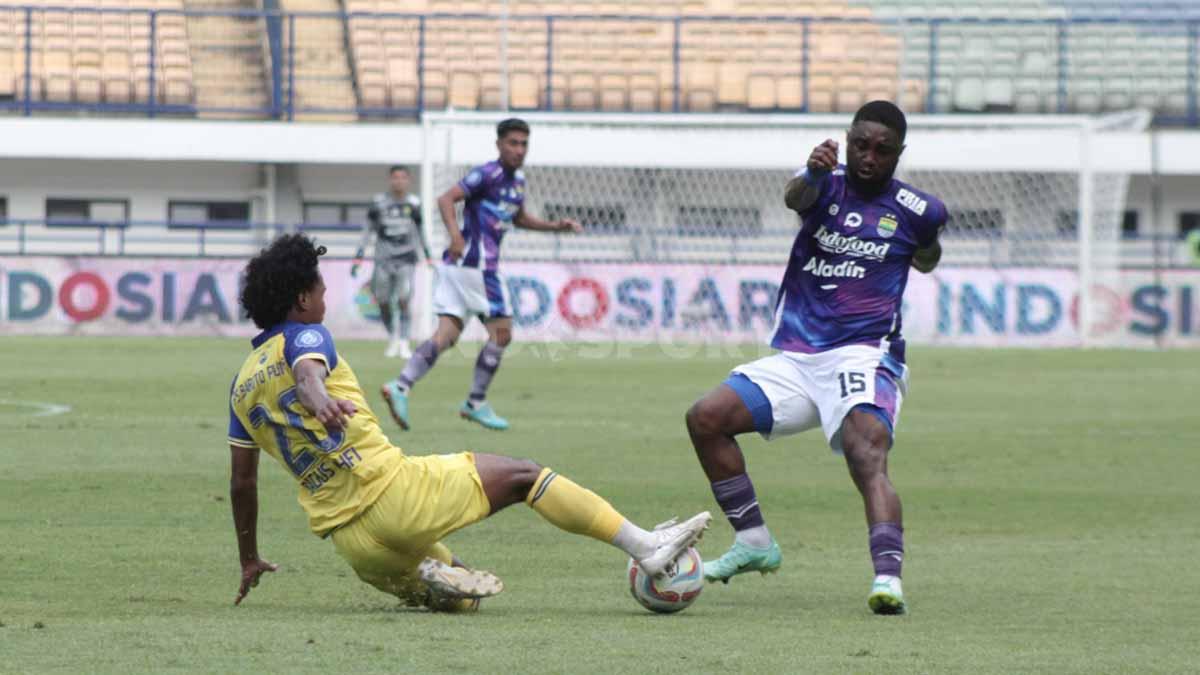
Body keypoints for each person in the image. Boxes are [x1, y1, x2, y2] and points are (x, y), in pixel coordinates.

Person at [227, 233, 709, 611]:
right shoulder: (308, 335)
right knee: (525, 476)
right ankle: (646, 547)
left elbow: (242, 485)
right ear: (302, 299)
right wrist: (318, 400)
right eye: (321, 290)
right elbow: (308, 375)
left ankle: (438, 576)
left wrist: (249, 558)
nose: (325, 299)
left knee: (469, 596)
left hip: (356, 549)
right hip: (397, 495)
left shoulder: (241, 386)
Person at [684, 101, 947, 615]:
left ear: (899, 153)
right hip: (800, 357)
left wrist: (923, 253)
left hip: (866, 355)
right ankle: (755, 542)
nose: (869, 157)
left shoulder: (921, 210)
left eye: (882, 150)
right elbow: (793, 198)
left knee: (864, 452)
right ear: (847, 140)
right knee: (706, 417)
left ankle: (888, 579)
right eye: (860, 145)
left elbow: (928, 254)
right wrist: (811, 169)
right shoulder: (823, 181)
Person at [379, 118, 582, 432]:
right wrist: (454, 236)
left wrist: (555, 226)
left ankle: (401, 385)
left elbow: (520, 218)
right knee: (502, 334)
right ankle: (475, 402)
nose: (518, 149)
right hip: (477, 266)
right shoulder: (487, 174)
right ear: (499, 144)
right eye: (513, 143)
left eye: (523, 144)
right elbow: (445, 198)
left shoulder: (517, 181)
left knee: (446, 335)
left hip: (458, 269)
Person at [351, 165, 431, 359]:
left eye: (403, 178)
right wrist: (358, 256)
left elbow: (421, 231)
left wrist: (428, 255)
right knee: (383, 301)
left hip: (407, 259)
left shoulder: (413, 203)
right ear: (390, 180)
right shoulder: (379, 203)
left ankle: (404, 342)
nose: (399, 181)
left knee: (404, 298)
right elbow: (367, 231)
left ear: (408, 181)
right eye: (396, 178)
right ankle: (393, 337)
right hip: (383, 260)